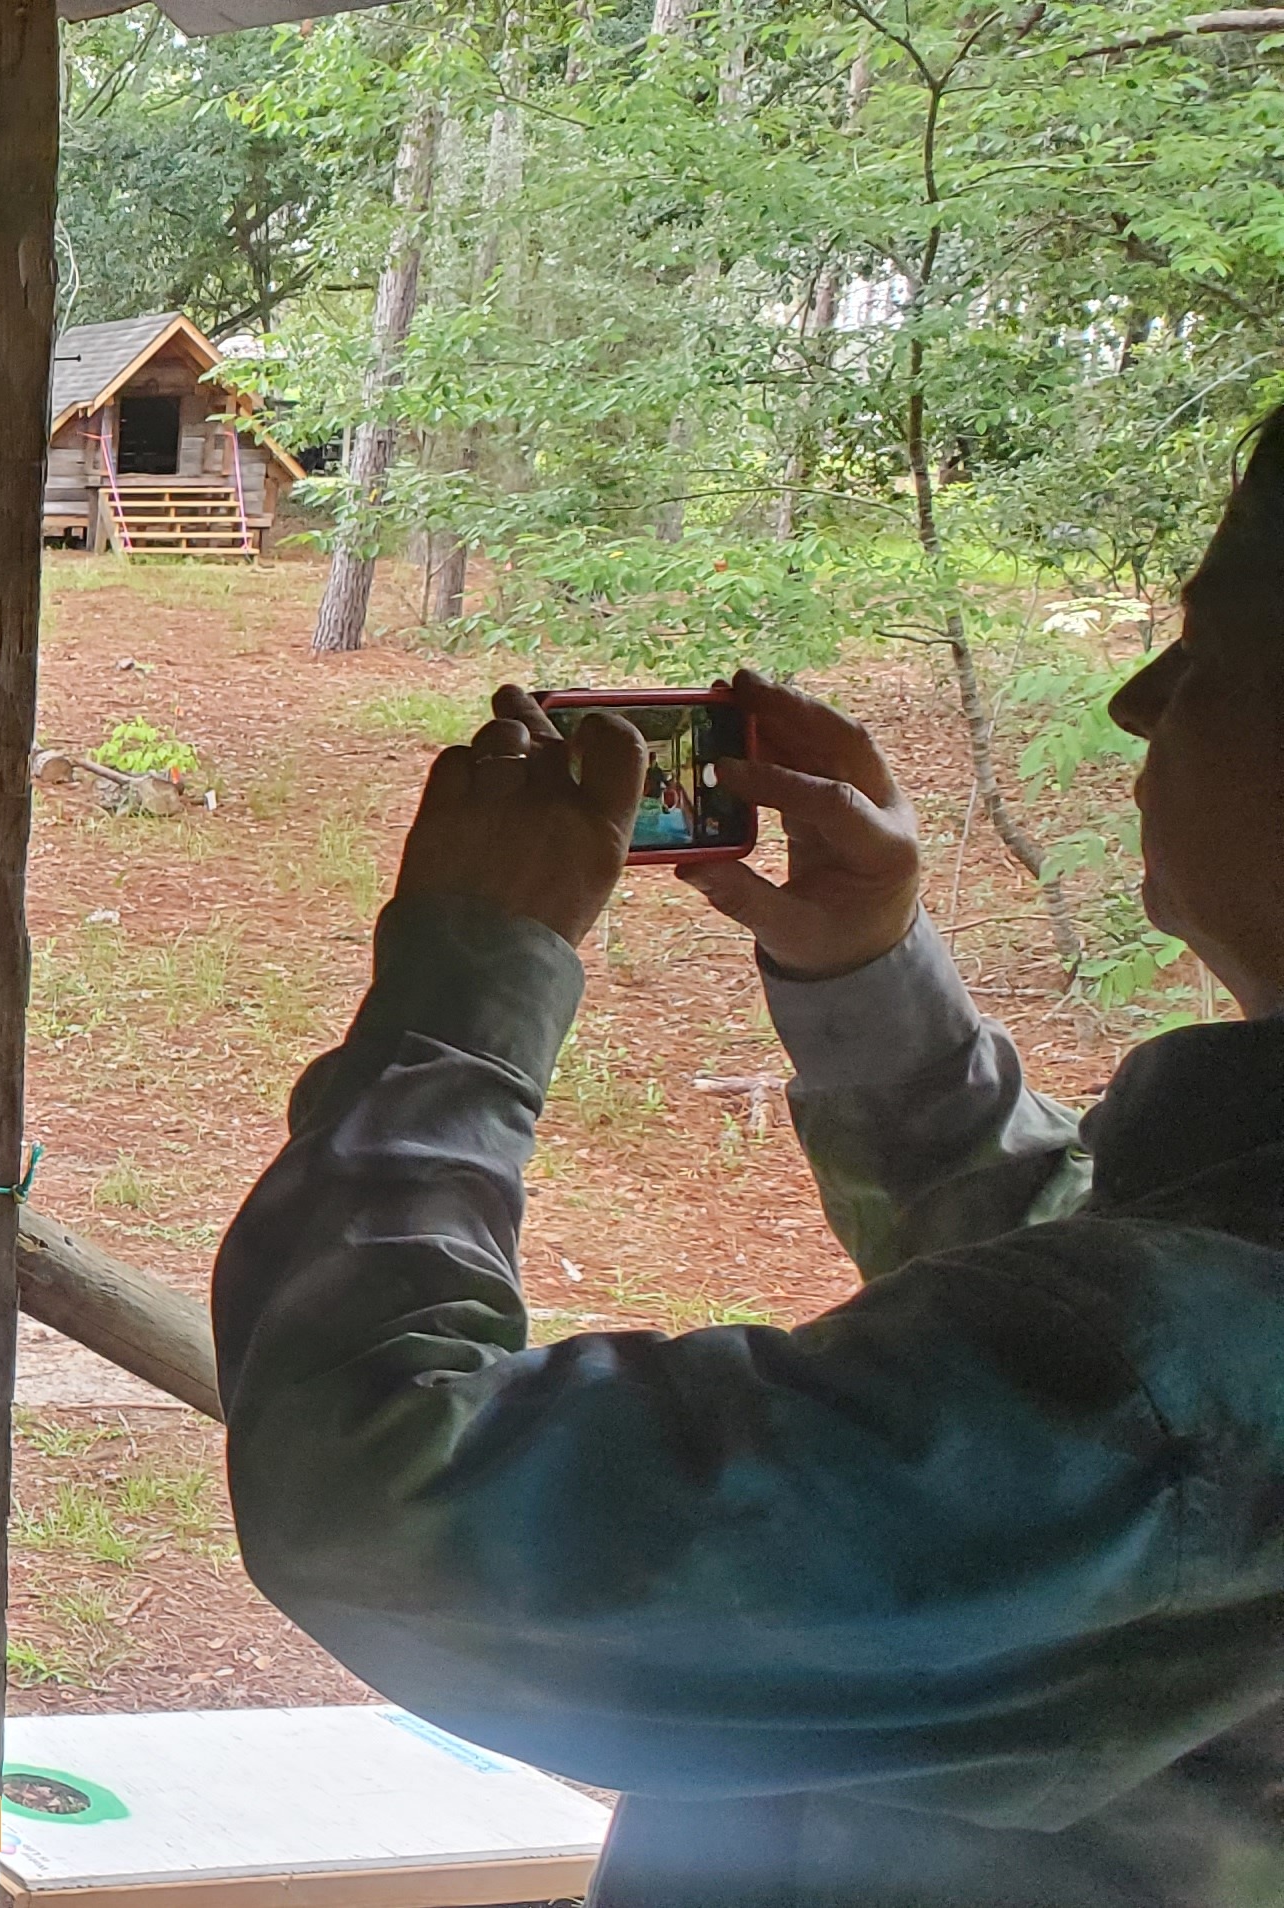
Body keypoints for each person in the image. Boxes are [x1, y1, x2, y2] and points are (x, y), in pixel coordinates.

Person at [213, 403, 1284, 1907]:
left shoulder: (1185, 1392)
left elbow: (386, 1500)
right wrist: (874, 991)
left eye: (1221, 647)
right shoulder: (1205, 1305)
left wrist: (468, 991)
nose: (1139, 698)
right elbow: (1088, 1298)